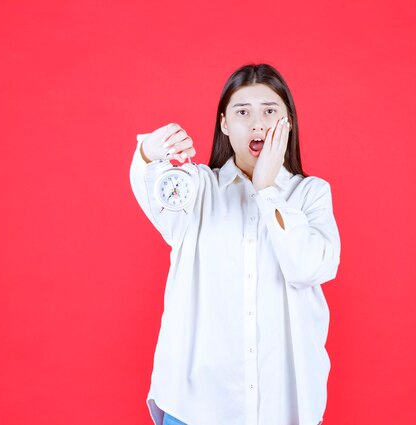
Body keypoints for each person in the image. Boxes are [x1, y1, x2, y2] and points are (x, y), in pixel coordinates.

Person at [129, 63, 341, 425]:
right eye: (243, 112)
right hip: (196, 405)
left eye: (269, 111)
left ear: (287, 122)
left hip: (284, 405)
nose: (258, 124)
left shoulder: (310, 195)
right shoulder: (198, 189)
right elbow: (151, 187)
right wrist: (148, 150)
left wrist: (267, 190)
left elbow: (310, 267)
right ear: (225, 124)